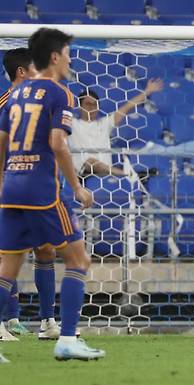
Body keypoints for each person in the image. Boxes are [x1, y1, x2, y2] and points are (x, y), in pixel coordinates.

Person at [0, 27, 104, 360]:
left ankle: (50, 326)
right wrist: (76, 187)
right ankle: (68, 339)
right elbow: (58, 142)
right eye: (69, 54)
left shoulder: (15, 94)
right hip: (41, 189)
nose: (71, 60)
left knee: (8, 267)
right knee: (78, 259)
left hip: (11, 185)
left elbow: (1, 143)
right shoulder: (60, 94)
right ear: (56, 57)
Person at [0, 48, 60, 342]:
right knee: (7, 255)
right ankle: (3, 322)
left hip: (36, 190)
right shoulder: (5, 104)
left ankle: (47, 321)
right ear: (22, 72)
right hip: (9, 189)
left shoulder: (36, 104)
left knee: (45, 250)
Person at [70, 78, 163, 177]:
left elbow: (127, 107)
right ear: (80, 106)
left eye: (95, 105)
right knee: (91, 162)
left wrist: (148, 91)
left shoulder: (104, 123)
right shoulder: (72, 124)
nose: (92, 108)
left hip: (106, 173)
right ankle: (128, 174)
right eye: (88, 104)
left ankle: (130, 174)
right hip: (82, 172)